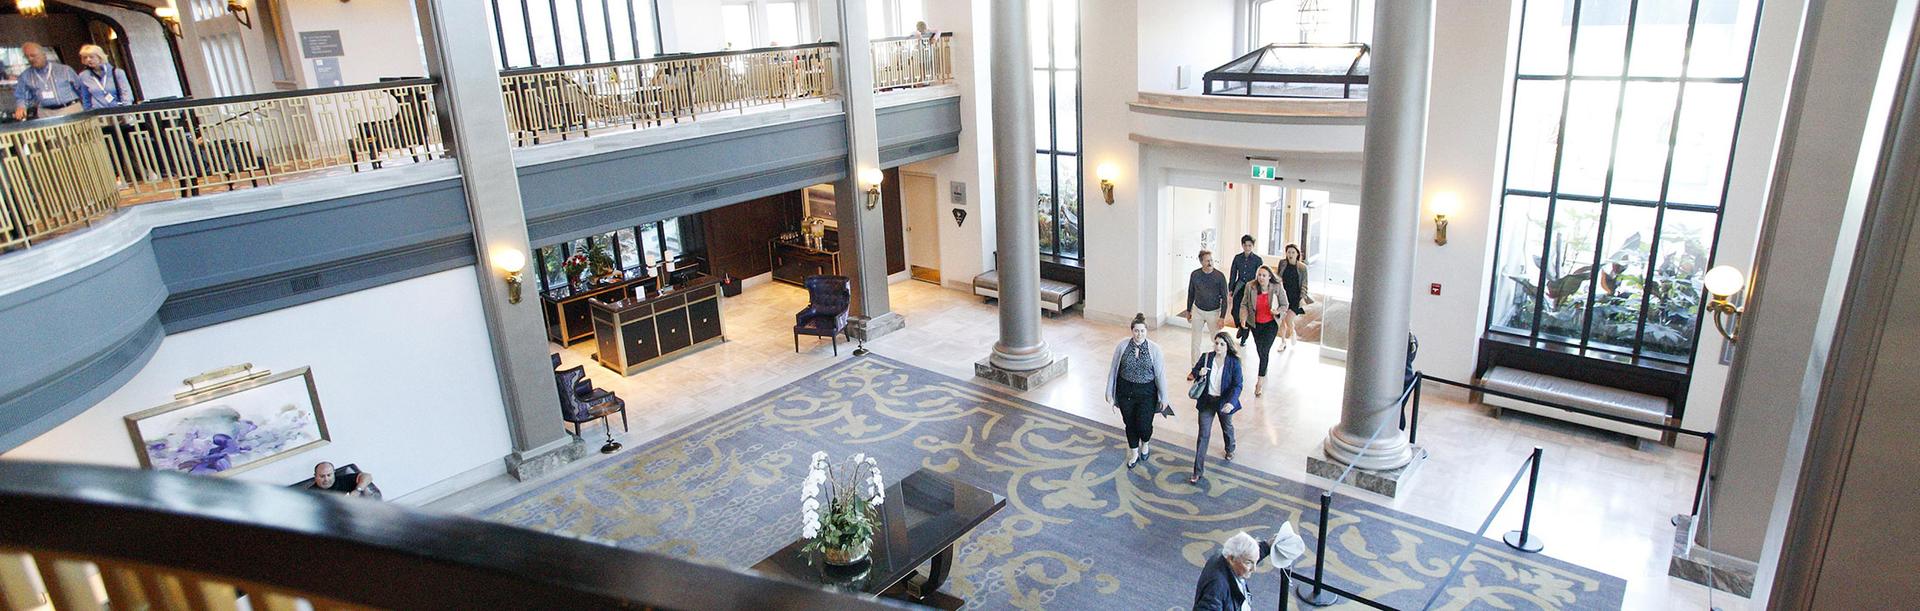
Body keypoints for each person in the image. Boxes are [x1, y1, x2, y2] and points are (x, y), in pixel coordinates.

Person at [1105, 313, 1172, 470]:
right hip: (1125, 391)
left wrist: (1164, 397)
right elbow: (1113, 369)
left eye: (1142, 331)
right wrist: (1109, 391)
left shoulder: (1155, 349)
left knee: (1144, 425)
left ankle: (1146, 443)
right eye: (1136, 331)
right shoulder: (1122, 346)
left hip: (1146, 393)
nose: (1139, 334)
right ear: (1132, 331)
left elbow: (1160, 374)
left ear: (1146, 331)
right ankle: (1134, 452)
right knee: (1129, 423)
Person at [1192, 524, 1307, 611]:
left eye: (1255, 562)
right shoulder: (1216, 586)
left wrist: (1268, 545)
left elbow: (1249, 554)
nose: (1254, 569)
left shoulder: (1226, 554)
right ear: (1232, 559)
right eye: (1249, 563)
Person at [1185, 331, 1242, 484]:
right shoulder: (1206, 357)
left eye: (1222, 344)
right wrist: (1198, 372)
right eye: (1216, 343)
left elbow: (1237, 385)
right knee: (1203, 435)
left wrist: (1231, 402)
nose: (1218, 346)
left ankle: (1230, 449)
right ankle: (1197, 471)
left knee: (1227, 427)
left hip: (1224, 402)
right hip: (1207, 402)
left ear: (1228, 346)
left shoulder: (1234, 362)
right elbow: (1193, 373)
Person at [1235, 266, 1283, 397]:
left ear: (1269, 277)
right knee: (1260, 350)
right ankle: (1264, 367)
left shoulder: (1277, 287)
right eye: (1259, 275)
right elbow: (1244, 304)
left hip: (1271, 324)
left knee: (1265, 351)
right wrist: (1243, 318)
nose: (1261, 278)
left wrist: (1278, 312)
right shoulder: (1250, 286)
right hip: (1256, 325)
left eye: (1264, 275)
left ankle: (1259, 383)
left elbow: (1285, 304)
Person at [12, 42, 83, 121]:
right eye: (26, 57)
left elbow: (81, 89)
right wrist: (21, 107)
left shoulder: (65, 70)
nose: (30, 59)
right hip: (45, 113)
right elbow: (21, 96)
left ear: (44, 54)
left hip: (70, 109)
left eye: (33, 55)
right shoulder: (25, 76)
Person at [1181, 249, 1228, 359]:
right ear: (1201, 262)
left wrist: (1222, 317)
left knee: (1217, 340)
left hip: (1214, 312)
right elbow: (1191, 293)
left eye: (1211, 260)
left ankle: (1218, 364)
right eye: (1207, 261)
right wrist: (1188, 310)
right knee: (1195, 342)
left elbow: (1225, 298)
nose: (1210, 263)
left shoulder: (1220, 276)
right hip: (1198, 311)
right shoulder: (1195, 275)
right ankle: (1194, 368)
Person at [1227, 235, 1263, 347]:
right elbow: (1233, 273)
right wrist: (1231, 288)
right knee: (1235, 311)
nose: (1247, 247)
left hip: (1252, 287)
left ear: (1253, 246)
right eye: (1245, 245)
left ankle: (1244, 334)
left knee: (1248, 311)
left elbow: (1260, 276)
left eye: (1250, 245)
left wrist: (1260, 290)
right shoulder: (1238, 258)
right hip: (1240, 285)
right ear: (1242, 245)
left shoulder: (1258, 260)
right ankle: (1240, 327)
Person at [74, 44, 133, 110]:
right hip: (98, 113)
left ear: (99, 57)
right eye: (85, 58)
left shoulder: (117, 72)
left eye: (91, 57)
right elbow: (86, 98)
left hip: (118, 110)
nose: (88, 60)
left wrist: (127, 110)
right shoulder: (83, 76)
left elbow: (126, 93)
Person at [1277, 244, 1310, 350]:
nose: (1290, 254)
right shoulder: (1282, 263)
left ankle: (1292, 331)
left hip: (1295, 296)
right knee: (1282, 319)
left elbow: (1304, 283)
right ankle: (1283, 341)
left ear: (1297, 254)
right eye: (1288, 252)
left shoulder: (1302, 267)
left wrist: (1302, 297)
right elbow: (1278, 278)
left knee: (1289, 319)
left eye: (1293, 252)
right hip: (1283, 295)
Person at [306, 461, 380, 499]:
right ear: (315, 476)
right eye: (322, 476)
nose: (326, 479)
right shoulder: (311, 493)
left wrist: (357, 490)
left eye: (329, 475)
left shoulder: (343, 480)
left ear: (334, 473)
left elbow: (367, 476)